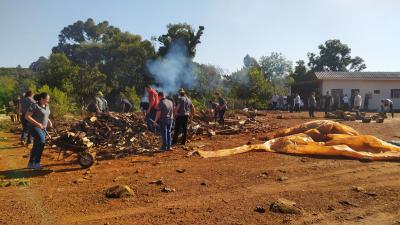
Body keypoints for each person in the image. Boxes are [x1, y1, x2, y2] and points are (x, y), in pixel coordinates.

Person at [25, 92, 52, 169]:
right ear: (41, 99)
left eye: (48, 100)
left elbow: (46, 115)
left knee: (37, 144)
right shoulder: (34, 105)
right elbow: (27, 116)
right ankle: (37, 162)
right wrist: (37, 124)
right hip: (34, 127)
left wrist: (49, 121)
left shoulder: (47, 106)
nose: (48, 101)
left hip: (43, 128)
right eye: (47, 99)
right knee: (42, 142)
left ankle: (31, 163)